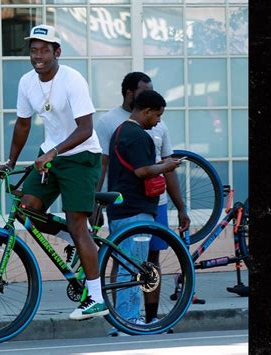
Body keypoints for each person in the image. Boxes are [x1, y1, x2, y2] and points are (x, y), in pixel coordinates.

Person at [0, 24, 107, 321]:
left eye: (45, 50)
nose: (38, 56)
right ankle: (72, 238)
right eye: (33, 50)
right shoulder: (27, 82)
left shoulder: (73, 80)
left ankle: (96, 297)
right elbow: (22, 124)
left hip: (81, 156)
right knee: (26, 207)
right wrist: (10, 161)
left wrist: (54, 152)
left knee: (78, 223)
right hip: (50, 156)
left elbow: (86, 129)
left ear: (57, 52)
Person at [95, 73, 190, 335]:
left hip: (125, 210)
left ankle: (124, 320)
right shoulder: (137, 136)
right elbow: (142, 171)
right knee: (132, 267)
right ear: (146, 111)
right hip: (135, 211)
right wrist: (166, 165)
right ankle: (128, 320)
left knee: (129, 264)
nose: (159, 121)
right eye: (157, 115)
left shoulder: (121, 131)